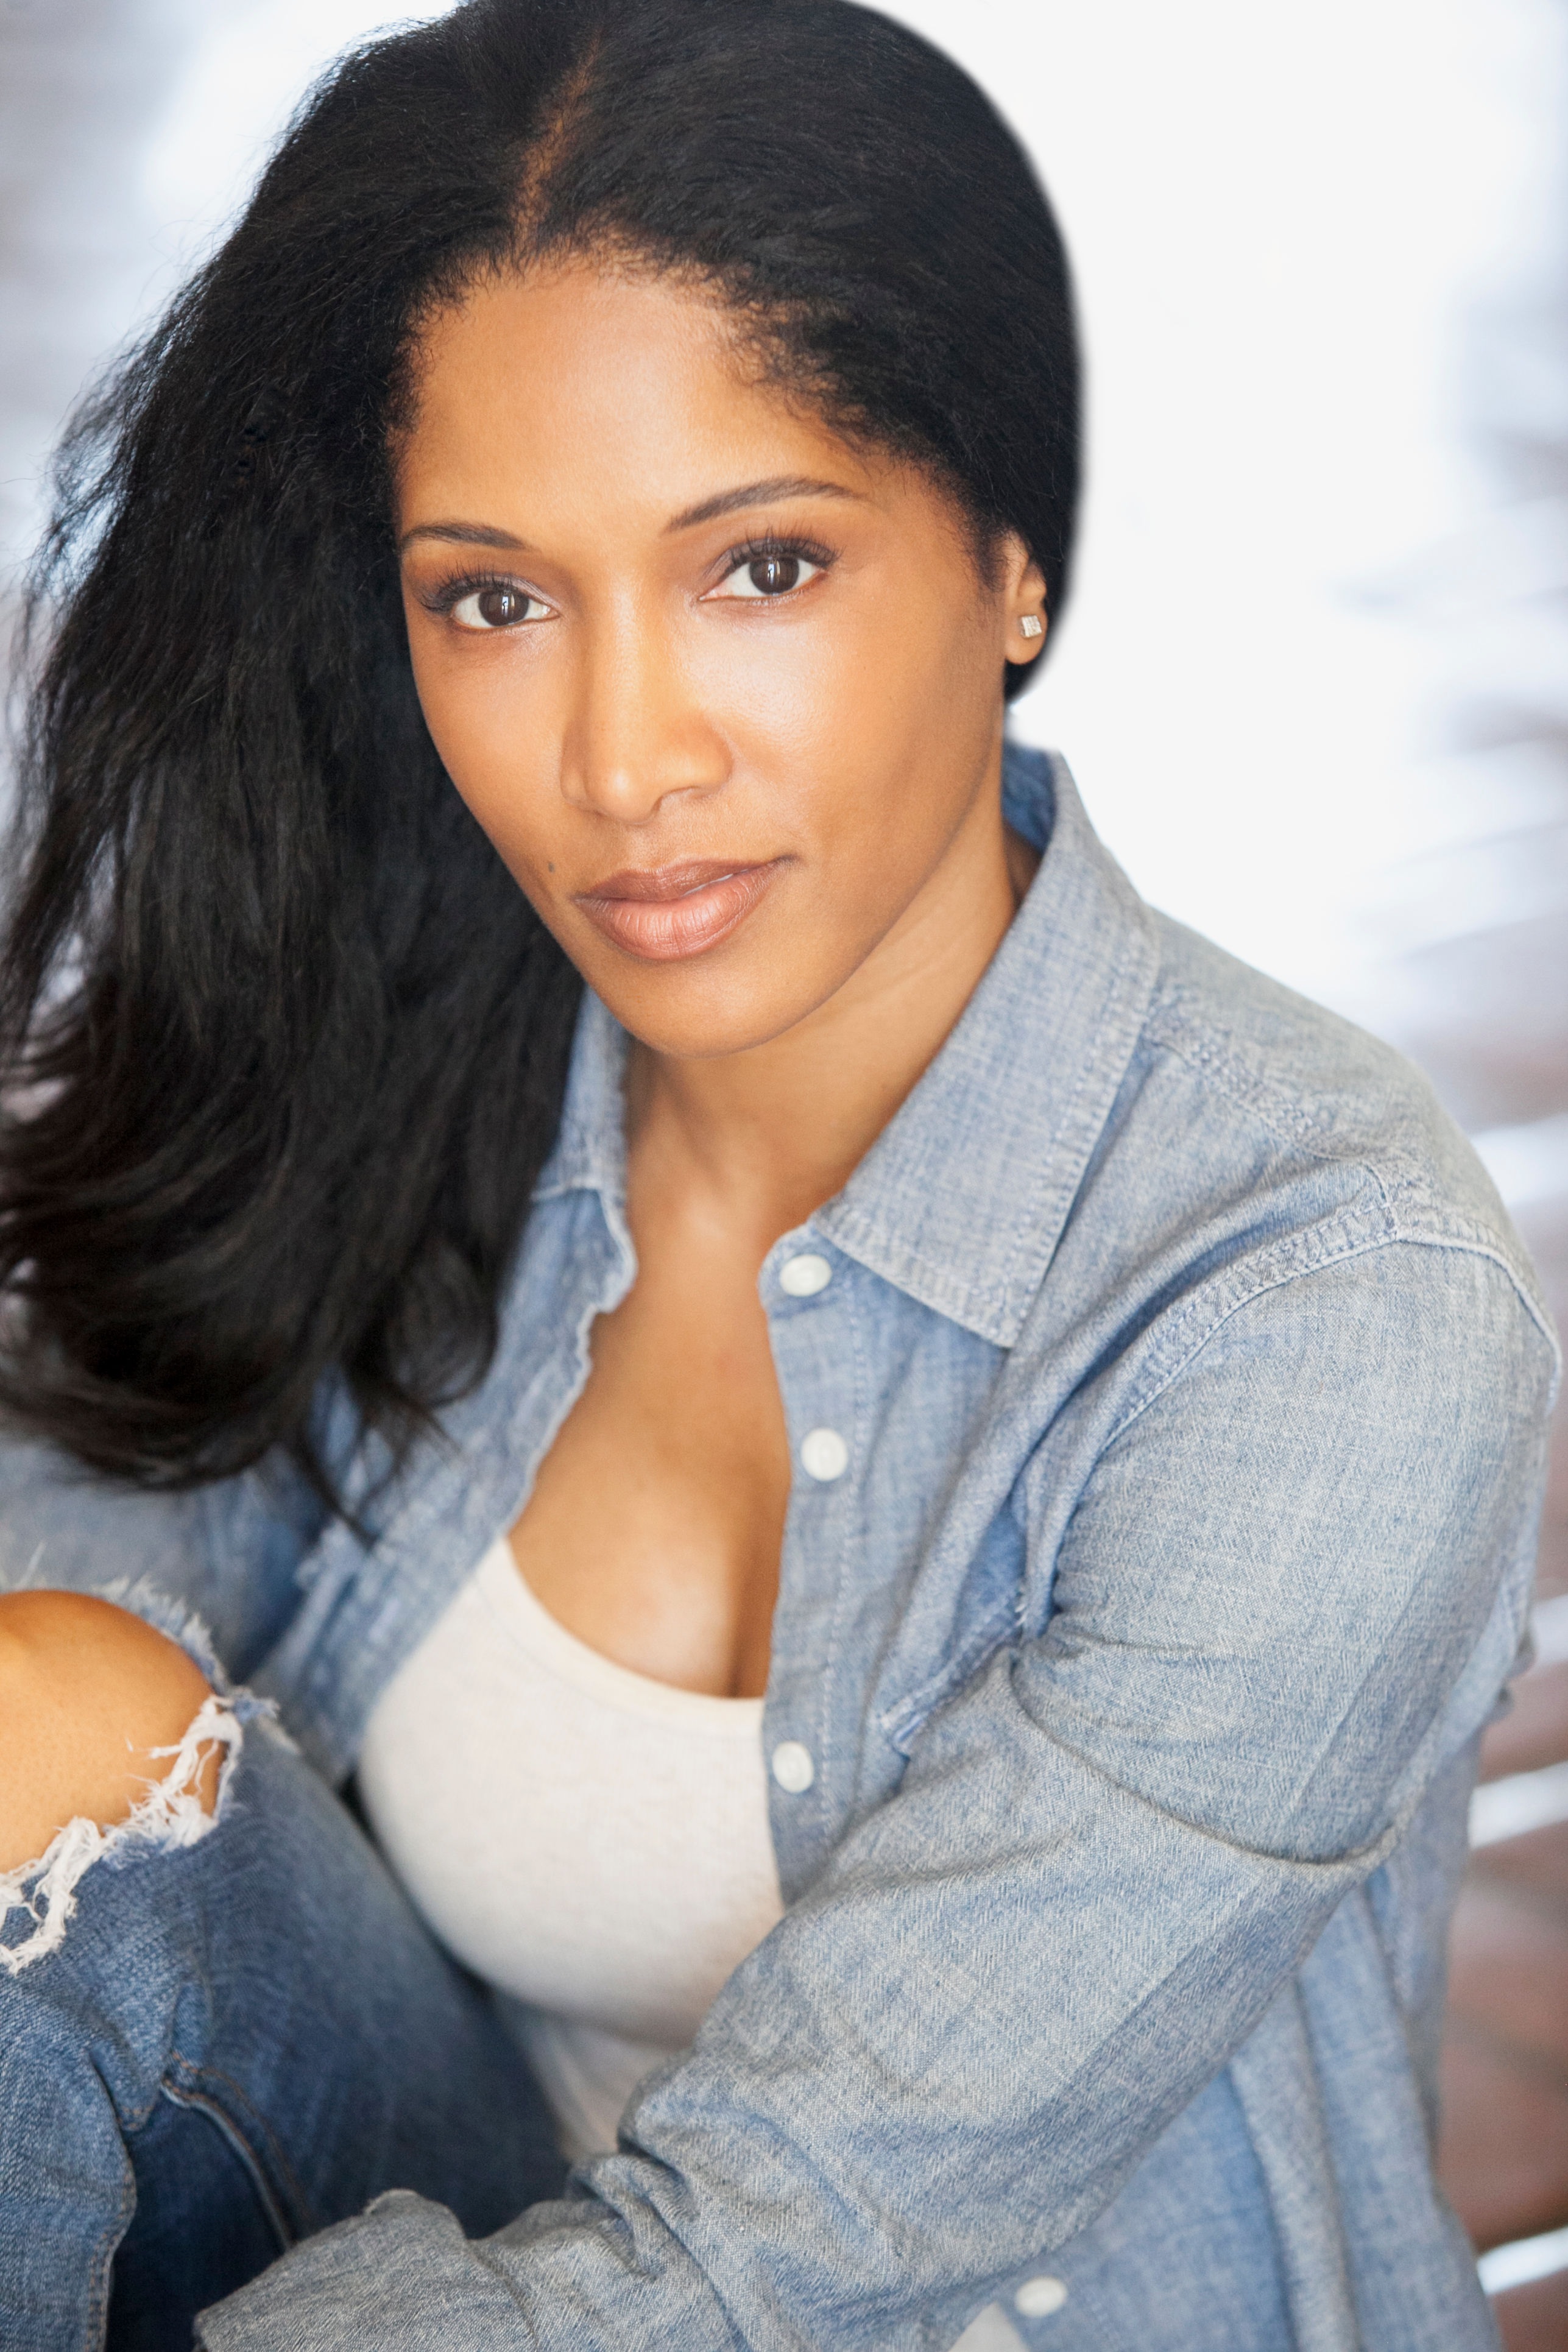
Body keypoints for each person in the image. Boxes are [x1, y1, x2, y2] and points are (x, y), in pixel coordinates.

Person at [0, 1, 1555, 2345]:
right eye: (496, 599)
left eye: (762, 569)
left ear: (1011, 559)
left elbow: (763, 2268)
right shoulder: (400, 1043)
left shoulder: (1327, 1298)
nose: (622, 762)